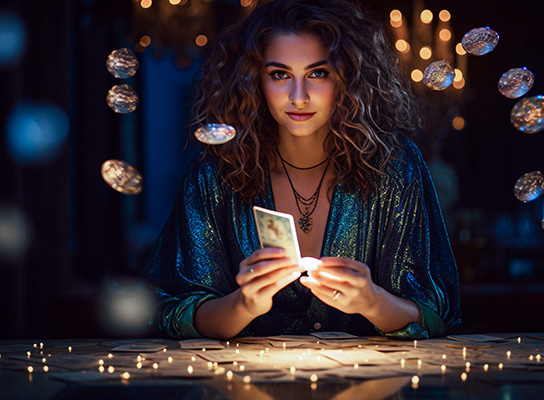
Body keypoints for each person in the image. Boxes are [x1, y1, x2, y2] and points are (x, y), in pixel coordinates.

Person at [144, 0, 461, 340]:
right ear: (253, 80)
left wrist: (372, 302)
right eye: (280, 75)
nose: (298, 96)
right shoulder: (213, 177)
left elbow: (439, 311)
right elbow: (169, 309)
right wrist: (242, 306)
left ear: (349, 78)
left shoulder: (395, 168)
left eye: (318, 73)